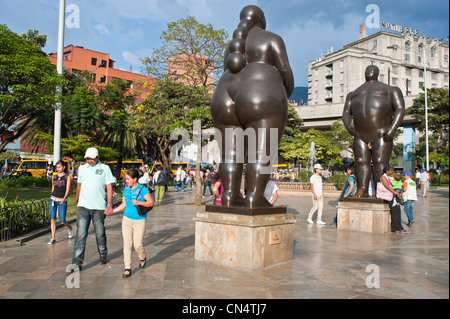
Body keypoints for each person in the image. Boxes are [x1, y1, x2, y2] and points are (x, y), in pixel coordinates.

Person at [211, 5, 294, 208]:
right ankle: (255, 197)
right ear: (261, 19)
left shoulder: (231, 47)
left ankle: (230, 195)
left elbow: (226, 69)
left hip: (222, 95)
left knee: (230, 153)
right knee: (261, 152)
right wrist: (283, 95)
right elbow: (286, 72)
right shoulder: (273, 39)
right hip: (261, 93)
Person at [342, 65, 405, 198]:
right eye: (367, 69)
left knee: (380, 162)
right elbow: (346, 113)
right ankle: (362, 188)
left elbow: (400, 109)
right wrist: (348, 126)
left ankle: (379, 190)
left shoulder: (390, 90)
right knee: (360, 161)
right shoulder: (353, 94)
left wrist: (392, 129)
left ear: (377, 73)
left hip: (381, 134)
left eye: (372, 69)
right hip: (360, 135)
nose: (369, 70)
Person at [69, 147, 116, 271]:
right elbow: (79, 184)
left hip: (99, 207)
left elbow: (109, 187)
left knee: (99, 233)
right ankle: (77, 262)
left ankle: (103, 252)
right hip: (83, 206)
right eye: (88, 158)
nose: (89, 161)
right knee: (81, 234)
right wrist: (77, 198)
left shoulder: (105, 168)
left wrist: (109, 204)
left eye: (92, 158)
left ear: (98, 158)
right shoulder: (82, 168)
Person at [111, 169, 154, 278]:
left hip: (140, 220)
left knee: (138, 244)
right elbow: (123, 205)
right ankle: (127, 267)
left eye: (128, 179)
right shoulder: (126, 190)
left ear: (135, 179)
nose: (126, 181)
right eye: (126, 179)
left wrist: (139, 202)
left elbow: (150, 203)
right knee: (127, 244)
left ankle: (142, 257)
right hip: (126, 220)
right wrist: (112, 211)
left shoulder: (143, 189)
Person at [47, 160, 73, 245]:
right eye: (57, 167)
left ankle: (69, 228)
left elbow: (67, 189)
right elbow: (53, 188)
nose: (58, 169)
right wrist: (52, 196)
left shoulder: (67, 177)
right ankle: (53, 237)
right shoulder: (54, 177)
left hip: (62, 200)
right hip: (53, 199)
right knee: (53, 219)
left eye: (59, 167)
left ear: (63, 167)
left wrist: (64, 198)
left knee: (62, 220)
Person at [380, 166, 409, 233]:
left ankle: (397, 227)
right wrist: (396, 192)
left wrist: (398, 193)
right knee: (395, 211)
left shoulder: (388, 178)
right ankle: (398, 228)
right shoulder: (383, 177)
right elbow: (387, 187)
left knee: (397, 211)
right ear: (387, 171)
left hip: (392, 196)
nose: (392, 172)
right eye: (391, 170)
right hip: (388, 196)